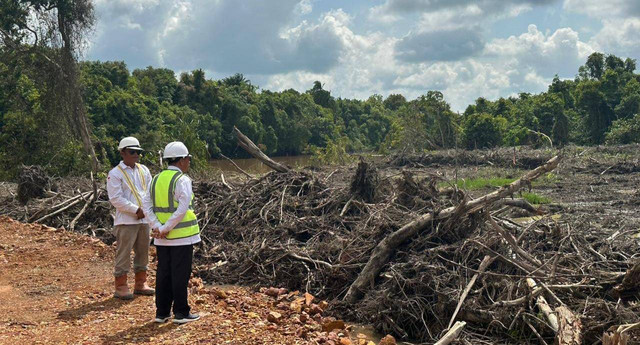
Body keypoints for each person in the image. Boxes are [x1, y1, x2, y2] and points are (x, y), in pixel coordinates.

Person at [142, 141, 201, 324]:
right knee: (180, 274)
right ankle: (181, 312)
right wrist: (165, 228)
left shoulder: (156, 179)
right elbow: (182, 209)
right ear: (182, 160)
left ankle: (162, 312)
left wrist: (157, 227)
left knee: (164, 273)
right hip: (181, 237)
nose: (189, 162)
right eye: (188, 159)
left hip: (162, 238)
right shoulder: (182, 180)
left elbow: (146, 204)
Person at [107, 136, 155, 300]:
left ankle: (140, 283)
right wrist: (136, 210)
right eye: (132, 152)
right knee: (124, 253)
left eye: (138, 152)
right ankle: (121, 285)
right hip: (126, 221)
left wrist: (146, 211)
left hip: (144, 220)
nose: (136, 155)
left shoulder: (144, 170)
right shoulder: (115, 174)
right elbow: (116, 199)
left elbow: (149, 192)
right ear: (123, 153)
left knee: (143, 252)